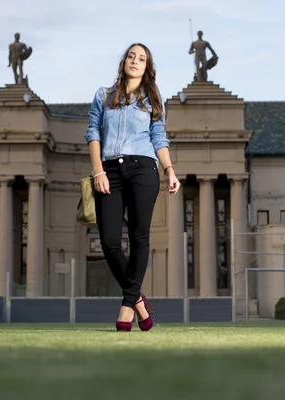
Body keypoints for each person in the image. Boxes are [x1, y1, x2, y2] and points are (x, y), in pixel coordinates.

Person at [84, 43, 180, 332]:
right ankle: (139, 301)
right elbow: (92, 132)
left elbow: (159, 137)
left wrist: (170, 170)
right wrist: (98, 169)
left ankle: (127, 307)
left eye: (141, 59)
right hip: (109, 170)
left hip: (143, 168)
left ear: (147, 66)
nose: (135, 61)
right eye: (131, 56)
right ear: (124, 61)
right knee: (110, 241)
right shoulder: (103, 95)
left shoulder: (152, 98)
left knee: (139, 239)